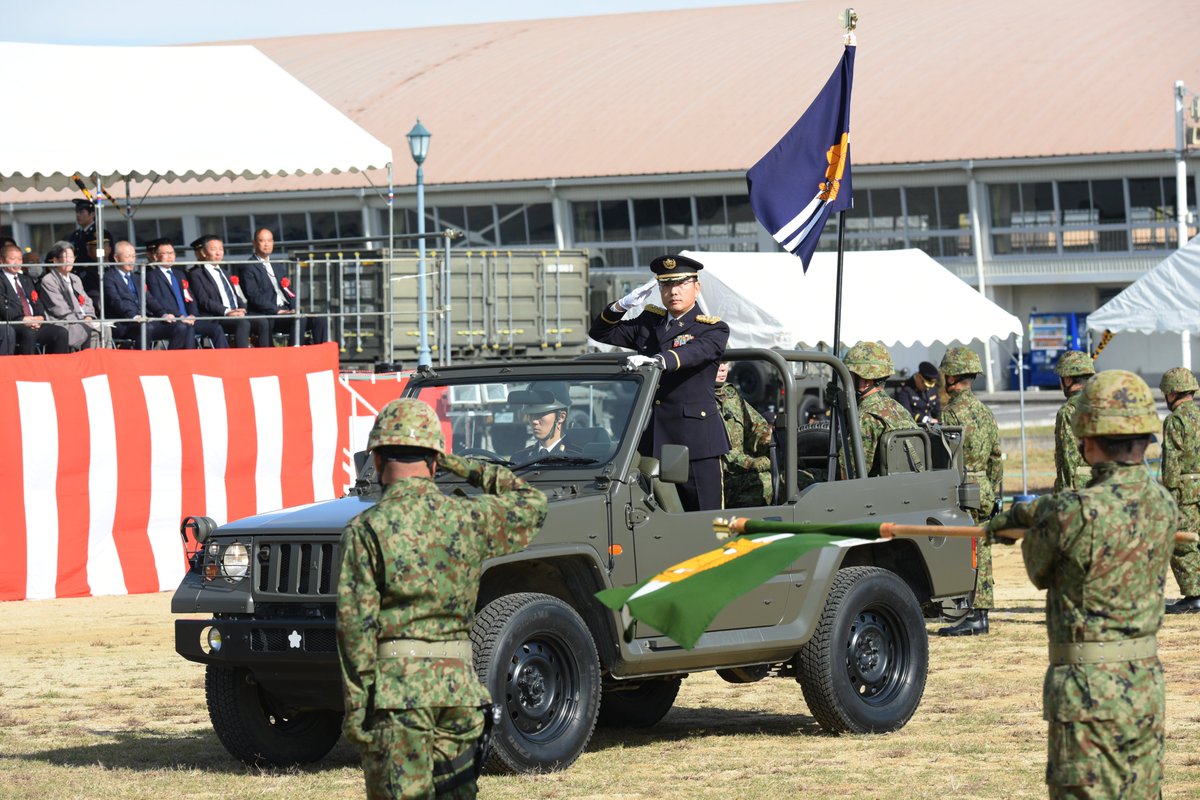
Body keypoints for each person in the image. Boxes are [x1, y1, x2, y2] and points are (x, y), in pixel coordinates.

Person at [337, 398, 548, 799]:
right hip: (459, 692)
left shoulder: (367, 529)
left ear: (377, 460)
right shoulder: (467, 517)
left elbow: (354, 629)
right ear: (435, 462)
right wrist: (464, 465)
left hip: (398, 696)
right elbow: (532, 504)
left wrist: (357, 713)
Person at [986, 370, 1176, 799]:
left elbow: (1038, 570)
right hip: (1144, 683)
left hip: (1088, 691)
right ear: (1145, 437)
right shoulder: (1163, 505)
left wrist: (1023, 520)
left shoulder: (1071, 512)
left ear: (1088, 441)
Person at [587, 254, 730, 511]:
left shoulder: (711, 328)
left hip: (695, 441)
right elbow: (600, 332)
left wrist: (659, 361)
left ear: (696, 288)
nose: (673, 291)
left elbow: (696, 352)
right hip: (653, 440)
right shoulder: (650, 322)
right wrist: (621, 306)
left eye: (681, 284)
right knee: (657, 520)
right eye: (666, 285)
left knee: (706, 520)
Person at [937, 346, 1003, 637]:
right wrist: (994, 489)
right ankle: (981, 612)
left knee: (967, 551)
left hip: (962, 488)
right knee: (983, 550)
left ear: (953, 376)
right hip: (985, 488)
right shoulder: (985, 412)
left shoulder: (951, 413)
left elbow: (946, 458)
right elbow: (996, 457)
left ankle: (972, 614)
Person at [842, 341, 922, 477]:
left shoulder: (866, 417)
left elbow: (847, 473)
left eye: (850, 375)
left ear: (866, 379)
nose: (846, 380)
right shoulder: (899, 409)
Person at [240, 227, 328, 346]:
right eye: (262, 241)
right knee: (299, 319)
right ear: (254, 243)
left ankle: (320, 356)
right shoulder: (248, 267)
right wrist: (278, 311)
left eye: (270, 241)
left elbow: (288, 291)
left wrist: (295, 308)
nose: (267, 244)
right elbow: (254, 296)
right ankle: (295, 355)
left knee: (319, 318)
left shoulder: (278, 267)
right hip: (269, 314)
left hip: (286, 311)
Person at [1159, 367, 1200, 613]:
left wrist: (1169, 495)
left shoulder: (1175, 420)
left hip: (1185, 488)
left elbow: (1171, 461)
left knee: (1182, 540)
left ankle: (1194, 595)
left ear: (1173, 393)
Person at [103, 240, 194, 350]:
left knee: (180, 327)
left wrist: (163, 314)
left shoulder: (136, 278)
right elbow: (116, 301)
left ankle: (170, 363)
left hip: (144, 321)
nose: (131, 260)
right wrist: (133, 316)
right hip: (125, 323)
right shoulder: (109, 277)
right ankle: (143, 363)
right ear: (116, 258)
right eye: (128, 256)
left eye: (133, 256)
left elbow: (150, 300)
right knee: (147, 328)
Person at [144, 238, 229, 349]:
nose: (169, 256)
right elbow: (159, 299)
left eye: (171, 253)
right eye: (165, 253)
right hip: (173, 319)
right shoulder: (152, 275)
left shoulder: (179, 274)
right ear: (156, 256)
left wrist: (193, 315)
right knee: (187, 328)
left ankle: (222, 362)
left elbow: (190, 297)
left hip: (189, 318)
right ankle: (190, 364)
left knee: (216, 328)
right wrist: (180, 316)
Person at [715, 361, 773, 507]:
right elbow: (721, 456)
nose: (722, 367)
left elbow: (757, 428)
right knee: (767, 483)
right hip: (718, 480)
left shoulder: (731, 394)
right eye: (717, 362)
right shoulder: (696, 397)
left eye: (725, 362)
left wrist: (774, 448)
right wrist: (753, 463)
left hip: (740, 474)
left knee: (800, 476)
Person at [0, 242, 70, 354]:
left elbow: (36, 302)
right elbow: (3, 308)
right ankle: (28, 369)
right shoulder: (1, 280)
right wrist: (23, 320)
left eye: (20, 259)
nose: (17, 262)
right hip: (14, 324)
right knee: (29, 333)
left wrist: (40, 317)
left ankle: (56, 369)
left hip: (34, 323)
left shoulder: (26, 279)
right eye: (12, 259)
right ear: (2, 260)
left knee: (61, 332)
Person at [187, 234, 251, 348]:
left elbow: (235, 295)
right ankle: (242, 359)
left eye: (221, 249)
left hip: (235, 313)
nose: (218, 253)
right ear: (203, 253)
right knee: (243, 323)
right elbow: (204, 301)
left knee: (263, 322)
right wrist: (227, 311)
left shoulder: (225, 272)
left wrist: (242, 308)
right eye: (213, 249)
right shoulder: (196, 274)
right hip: (217, 316)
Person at [38, 241, 104, 350]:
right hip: (64, 322)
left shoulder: (75, 278)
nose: (69, 260)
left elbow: (87, 301)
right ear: (55, 260)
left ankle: (100, 364)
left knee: (105, 329)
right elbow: (59, 308)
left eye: (71, 257)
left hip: (81, 319)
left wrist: (89, 316)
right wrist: (82, 319)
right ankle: (86, 364)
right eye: (65, 257)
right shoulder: (48, 280)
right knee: (90, 329)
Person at [1053, 350, 1095, 492]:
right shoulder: (1102, 404)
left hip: (1077, 490)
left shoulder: (1068, 411)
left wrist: (1065, 496)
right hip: (1101, 486)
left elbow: (1068, 459)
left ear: (1068, 379)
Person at [507, 388, 581, 463]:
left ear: (561, 417)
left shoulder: (577, 458)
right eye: (531, 415)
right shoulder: (519, 458)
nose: (534, 421)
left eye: (541, 414)